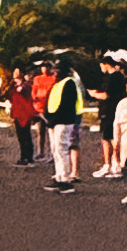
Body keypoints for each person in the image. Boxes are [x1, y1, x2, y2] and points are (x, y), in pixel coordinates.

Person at [43, 58, 85, 188]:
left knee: (62, 150)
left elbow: (66, 105)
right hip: (54, 122)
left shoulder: (69, 83)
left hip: (64, 121)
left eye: (58, 70)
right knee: (56, 150)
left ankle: (65, 180)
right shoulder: (58, 84)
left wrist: (53, 120)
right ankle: (59, 176)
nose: (55, 72)